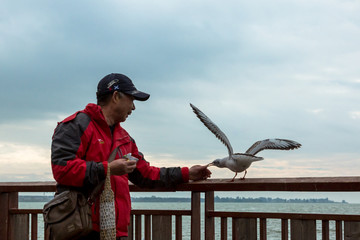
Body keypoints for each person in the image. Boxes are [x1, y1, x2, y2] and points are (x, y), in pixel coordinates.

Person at [51, 73, 212, 240]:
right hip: (80, 228)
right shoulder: (75, 126)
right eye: (132, 100)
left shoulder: (125, 139)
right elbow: (62, 170)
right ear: (115, 96)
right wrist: (108, 169)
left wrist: (187, 173)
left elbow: (146, 175)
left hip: (114, 231)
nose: (133, 107)